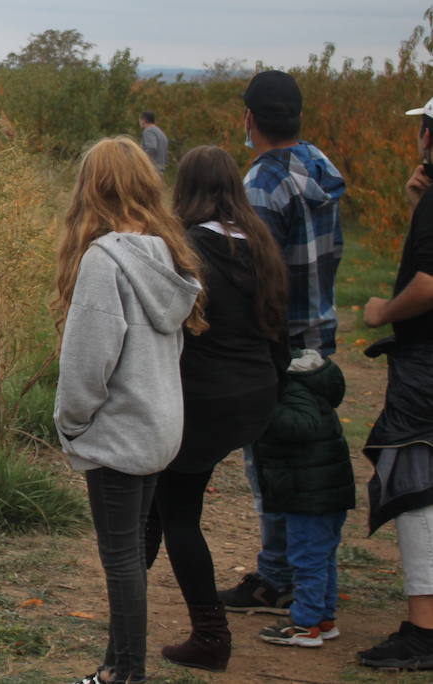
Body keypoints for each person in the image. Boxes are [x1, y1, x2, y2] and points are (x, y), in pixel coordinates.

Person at [53, 136, 206, 684]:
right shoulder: (167, 253)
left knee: (121, 562)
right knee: (129, 554)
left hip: (119, 431)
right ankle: (114, 668)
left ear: (91, 188)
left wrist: (72, 424)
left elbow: (87, 364)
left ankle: (127, 675)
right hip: (159, 425)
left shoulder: (105, 260)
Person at [144, 146, 289, 671]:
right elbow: (279, 331)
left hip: (206, 398)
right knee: (159, 497)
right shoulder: (260, 243)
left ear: (185, 189)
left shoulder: (187, 250)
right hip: (255, 392)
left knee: (179, 512)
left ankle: (210, 636)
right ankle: (128, 600)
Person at [222, 69, 346, 616]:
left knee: (274, 465)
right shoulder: (319, 167)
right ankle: (300, 572)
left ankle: (280, 578)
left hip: (280, 345)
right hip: (319, 336)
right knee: (307, 459)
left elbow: (260, 277)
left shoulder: (261, 186)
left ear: (249, 118)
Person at [356, 96, 433, 670]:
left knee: (415, 484)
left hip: (426, 369)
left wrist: (382, 312)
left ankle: (424, 631)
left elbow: (428, 284)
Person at [251, 350, 354, 648]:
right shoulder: (306, 384)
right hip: (322, 490)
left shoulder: (292, 387)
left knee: (307, 558)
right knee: (322, 556)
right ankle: (323, 618)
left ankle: (305, 624)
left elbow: (303, 425)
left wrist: (263, 408)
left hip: (309, 493)